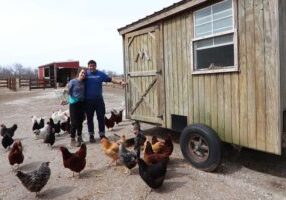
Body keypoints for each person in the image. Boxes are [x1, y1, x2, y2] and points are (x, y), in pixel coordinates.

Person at [85, 60, 126, 143]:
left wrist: (120, 82)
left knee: (101, 118)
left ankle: (102, 135)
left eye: (93, 66)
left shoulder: (100, 74)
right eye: (90, 66)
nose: (91, 67)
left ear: (95, 66)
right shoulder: (85, 74)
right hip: (88, 101)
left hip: (99, 101)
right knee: (89, 119)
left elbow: (110, 79)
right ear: (88, 67)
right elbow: (78, 80)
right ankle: (91, 135)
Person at [66, 69, 86, 147]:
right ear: (79, 73)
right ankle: (72, 139)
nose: (83, 74)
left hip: (82, 103)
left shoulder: (84, 82)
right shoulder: (72, 81)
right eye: (82, 72)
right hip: (74, 104)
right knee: (74, 122)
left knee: (80, 122)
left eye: (84, 73)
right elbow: (67, 91)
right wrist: (65, 100)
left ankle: (79, 138)